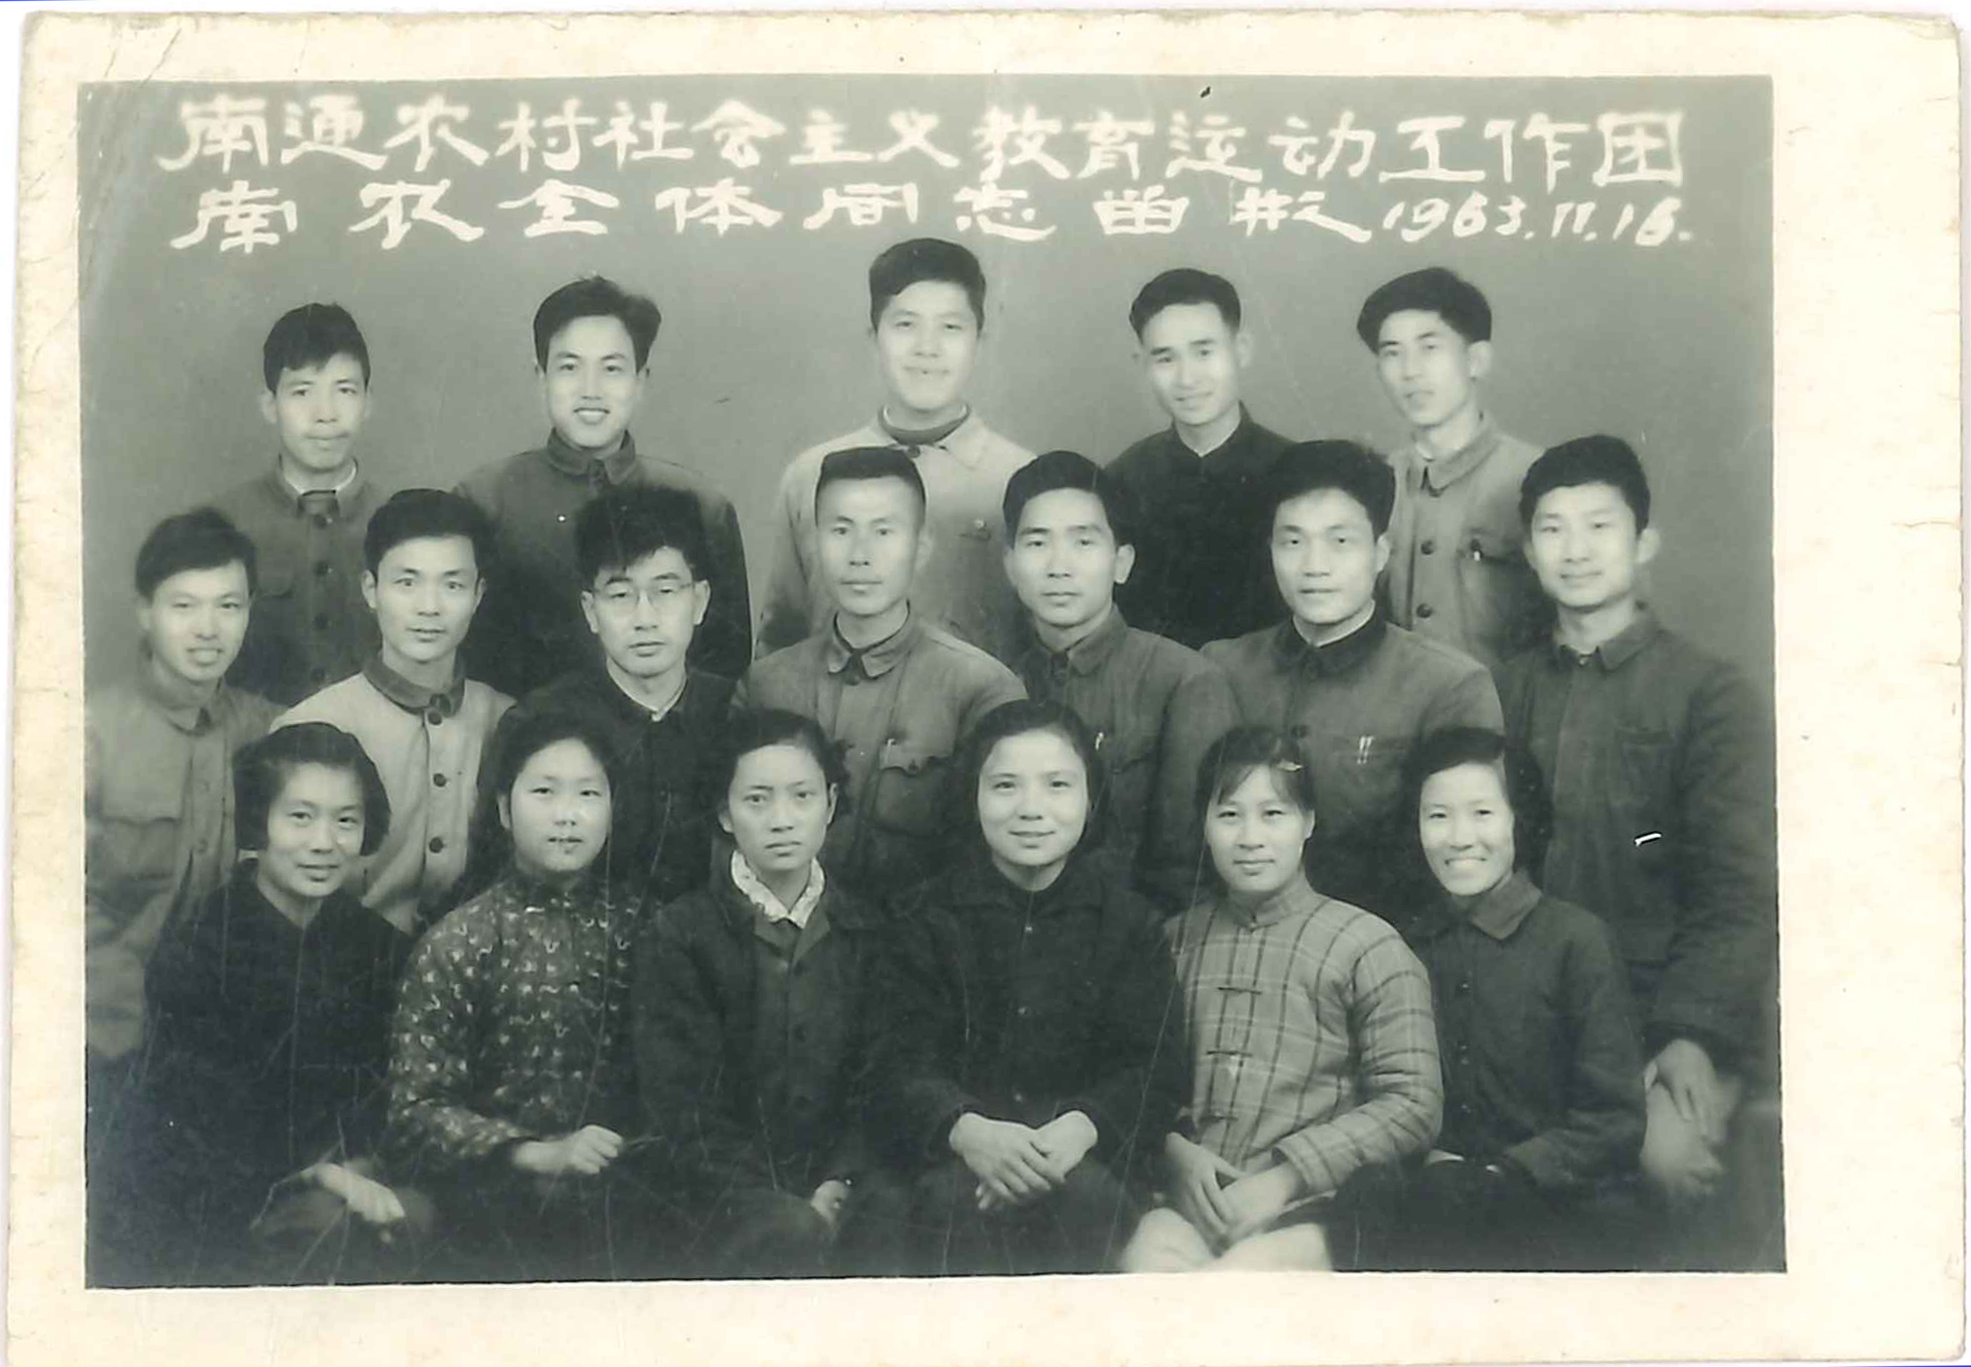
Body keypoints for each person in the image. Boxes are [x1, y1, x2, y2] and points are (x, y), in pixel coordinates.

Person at [1498, 436, 1777, 1223]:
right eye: (1552, 529)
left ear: (1643, 541)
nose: (1575, 550)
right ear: (1528, 550)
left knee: (1663, 1162)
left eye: (1600, 526)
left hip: (1658, 1013)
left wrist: (1692, 1030)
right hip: (1533, 1014)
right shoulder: (1501, 689)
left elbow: (1737, 891)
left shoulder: (1707, 693)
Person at [869, 700, 1184, 1275]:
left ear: (1091, 797)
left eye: (1057, 785)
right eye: (1005, 785)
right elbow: (895, 1061)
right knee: (938, 1211)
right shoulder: (924, 918)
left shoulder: (1131, 925)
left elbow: (1152, 1068)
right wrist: (968, 1132)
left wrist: (1078, 1129)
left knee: (1087, 1205)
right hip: (949, 1164)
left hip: (1083, 1163)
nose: (1031, 809)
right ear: (973, 796)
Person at [1121, 727, 1441, 1273]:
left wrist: (1288, 1175)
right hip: (1184, 1204)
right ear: (1204, 824)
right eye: (1229, 815)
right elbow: (1134, 1077)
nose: (1250, 838)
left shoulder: (1370, 945)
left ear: (1308, 822)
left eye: (1273, 814)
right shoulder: (1171, 941)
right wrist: (1173, 1153)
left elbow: (1413, 1104)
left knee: (1241, 1287)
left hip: (1312, 1208)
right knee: (1145, 1274)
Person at [1343, 726, 1644, 1271]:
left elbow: (1613, 1119)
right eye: (1438, 816)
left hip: (1559, 1201)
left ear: (1519, 820)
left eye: (1482, 814)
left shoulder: (1576, 941)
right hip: (1433, 1195)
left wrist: (1504, 1172)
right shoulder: (1400, 945)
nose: (1460, 838)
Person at [384, 709, 670, 1281]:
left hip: (630, 1195)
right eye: (544, 791)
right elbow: (413, 1113)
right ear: (503, 810)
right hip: (498, 1204)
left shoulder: (653, 930)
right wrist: (535, 1152)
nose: (567, 814)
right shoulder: (460, 941)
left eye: (588, 793)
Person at [136, 722, 419, 1284]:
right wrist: (325, 1175)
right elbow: (196, 1128)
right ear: (257, 822)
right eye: (300, 817)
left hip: (364, 1175)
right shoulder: (200, 950)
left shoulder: (382, 947)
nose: (324, 843)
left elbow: (397, 1089)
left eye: (346, 821)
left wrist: (362, 1164)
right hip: (233, 1200)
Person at [85, 508, 280, 1282]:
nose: (208, 628)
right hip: (109, 1041)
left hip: (231, 1045)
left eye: (228, 605)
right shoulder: (91, 732)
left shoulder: (269, 729)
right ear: (144, 611)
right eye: (184, 605)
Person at [634, 709, 895, 1277]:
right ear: (724, 813)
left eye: (802, 797)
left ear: (830, 803)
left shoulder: (868, 930)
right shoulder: (682, 934)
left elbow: (880, 1078)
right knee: (785, 1235)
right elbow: (682, 1103)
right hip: (722, 1193)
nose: (782, 820)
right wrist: (781, 1200)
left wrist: (840, 1180)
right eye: (756, 800)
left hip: (843, 1182)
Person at [1202, 440, 1502, 916]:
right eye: (1292, 542)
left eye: (1340, 541)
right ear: (1270, 549)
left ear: (1381, 552)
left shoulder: (1449, 685)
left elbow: (1465, 861)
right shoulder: (1220, 669)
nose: (1314, 566)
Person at [737, 446, 1025, 901]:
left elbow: (991, 866)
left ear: (921, 547)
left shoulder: (982, 689)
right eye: (841, 530)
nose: (860, 555)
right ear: (815, 542)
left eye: (884, 531)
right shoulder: (765, 685)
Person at [457, 275, 751, 695]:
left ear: (641, 380)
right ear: (541, 377)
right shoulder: (486, 501)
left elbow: (727, 668)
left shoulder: (702, 505)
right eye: (569, 368)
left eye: (612, 369)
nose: (590, 391)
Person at [758, 237, 1034, 662]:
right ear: (874, 337)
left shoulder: (1021, 478)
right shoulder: (809, 475)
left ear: (980, 340)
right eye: (905, 325)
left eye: (951, 327)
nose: (927, 348)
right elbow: (779, 642)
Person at [1001, 449, 1236, 911]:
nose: (1059, 566)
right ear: (1010, 566)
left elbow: (1188, 874)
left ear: (1122, 562)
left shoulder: (1185, 682)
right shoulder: (998, 682)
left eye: (1083, 542)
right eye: (1037, 543)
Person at [482, 485, 734, 909]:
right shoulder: (538, 721)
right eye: (620, 595)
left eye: (665, 591)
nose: (644, 619)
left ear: (700, 601)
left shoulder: (736, 711)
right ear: (590, 611)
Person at [278, 489, 513, 934]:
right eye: (407, 582)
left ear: (478, 595)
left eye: (453, 585)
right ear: (371, 590)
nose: (429, 607)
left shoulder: (508, 720)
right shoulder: (311, 726)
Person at [1356, 267, 1547, 675]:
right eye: (1392, 353)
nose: (1410, 371)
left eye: (1429, 347)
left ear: (1476, 360)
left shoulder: (1539, 480)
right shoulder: (1371, 483)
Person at [1106, 268, 1293, 649]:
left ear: (1242, 349)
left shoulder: (1297, 474)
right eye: (1165, 359)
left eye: (1204, 352)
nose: (1187, 378)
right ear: (1143, 364)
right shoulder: (1121, 480)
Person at [212, 302, 387, 705]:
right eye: (302, 392)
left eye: (345, 391)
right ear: (269, 405)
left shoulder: (400, 523)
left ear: (367, 403)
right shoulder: (222, 525)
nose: (325, 414)